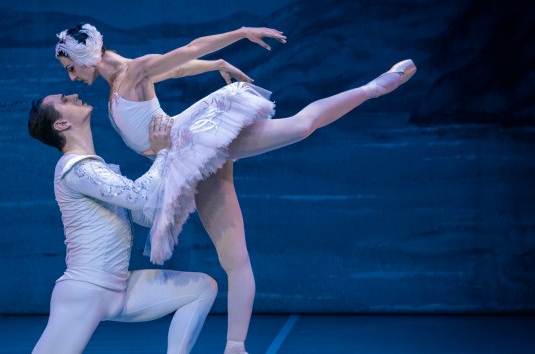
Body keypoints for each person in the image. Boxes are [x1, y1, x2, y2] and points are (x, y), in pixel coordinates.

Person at [53, 23, 417, 354]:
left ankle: (375, 87)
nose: (72, 78)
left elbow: (189, 49)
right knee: (234, 259)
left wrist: (240, 33)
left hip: (195, 141)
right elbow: (177, 68)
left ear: (86, 56)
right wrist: (217, 65)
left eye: (71, 67)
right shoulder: (121, 81)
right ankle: (235, 347)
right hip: (188, 161)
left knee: (299, 127)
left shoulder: (134, 71)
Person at [28, 93, 218, 354]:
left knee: (202, 287)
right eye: (65, 99)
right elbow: (139, 197)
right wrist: (163, 154)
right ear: (61, 124)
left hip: (120, 290)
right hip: (85, 291)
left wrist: (181, 173)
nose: (73, 94)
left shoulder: (99, 168)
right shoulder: (75, 168)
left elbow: (143, 216)